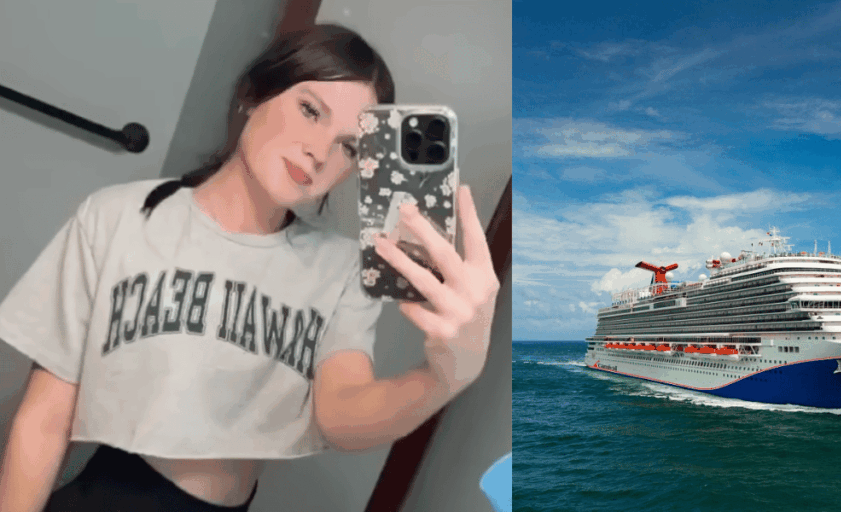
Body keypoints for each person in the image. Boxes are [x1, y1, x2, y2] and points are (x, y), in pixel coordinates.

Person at [0, 23, 499, 512]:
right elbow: (45, 415)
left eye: (349, 145)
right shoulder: (118, 218)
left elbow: (342, 414)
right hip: (109, 492)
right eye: (310, 110)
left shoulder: (340, 269)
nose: (320, 151)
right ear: (253, 94)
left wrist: (445, 374)